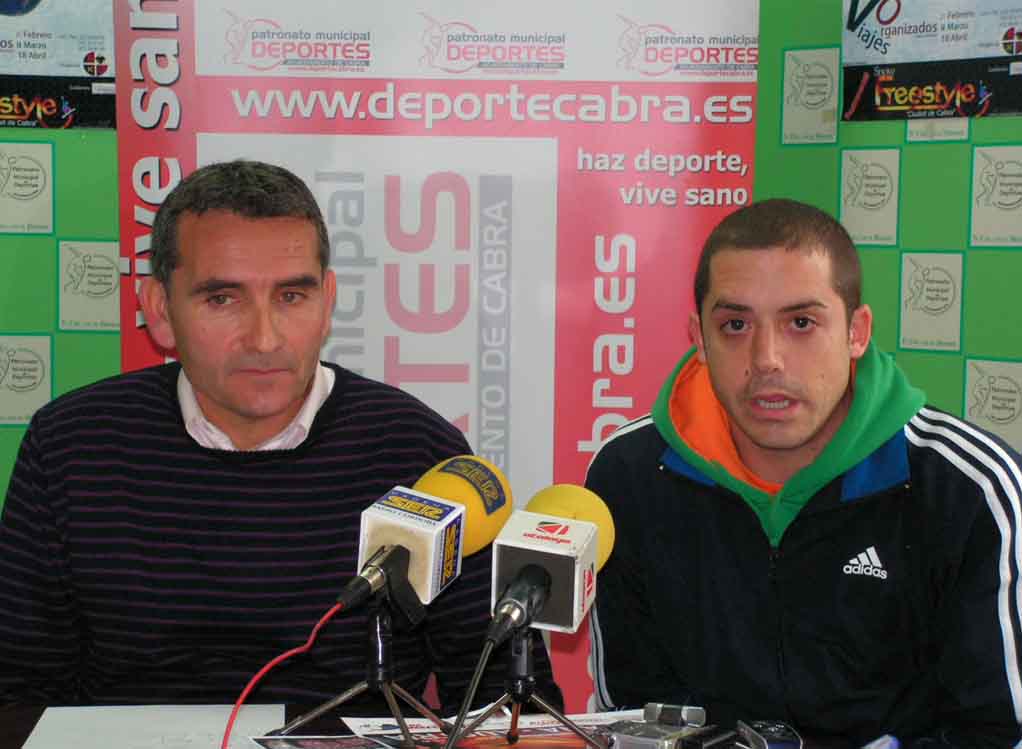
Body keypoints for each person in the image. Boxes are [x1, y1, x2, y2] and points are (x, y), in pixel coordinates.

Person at [0, 159, 556, 715]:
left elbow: (508, 700)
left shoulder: (417, 453)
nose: (264, 340)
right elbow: (18, 689)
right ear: (161, 311)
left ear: (327, 302)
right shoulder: (71, 446)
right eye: (223, 299)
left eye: (291, 297)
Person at [588, 199, 1022, 747]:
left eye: (801, 323)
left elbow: (996, 732)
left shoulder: (968, 489)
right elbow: (633, 718)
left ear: (857, 332)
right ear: (698, 337)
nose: (767, 358)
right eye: (735, 325)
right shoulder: (628, 477)